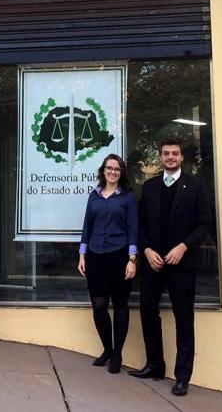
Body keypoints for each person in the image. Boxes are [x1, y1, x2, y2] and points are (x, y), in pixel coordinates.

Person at [128, 137, 213, 396]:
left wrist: (183, 247)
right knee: (147, 310)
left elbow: (204, 224)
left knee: (183, 318)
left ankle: (182, 376)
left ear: (181, 157)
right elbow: (140, 225)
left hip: (182, 264)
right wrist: (147, 249)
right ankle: (154, 365)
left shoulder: (196, 186)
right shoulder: (150, 186)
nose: (170, 157)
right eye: (166, 153)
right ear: (161, 157)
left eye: (175, 153)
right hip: (153, 263)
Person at [77, 154, 138, 374]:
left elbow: (133, 229)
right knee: (99, 306)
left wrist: (132, 259)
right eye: (109, 168)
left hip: (119, 256)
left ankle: (118, 354)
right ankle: (107, 350)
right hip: (95, 256)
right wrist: (82, 254)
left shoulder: (128, 197)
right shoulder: (93, 196)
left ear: (121, 173)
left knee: (120, 305)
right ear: (103, 171)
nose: (112, 172)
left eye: (117, 169)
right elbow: (87, 226)